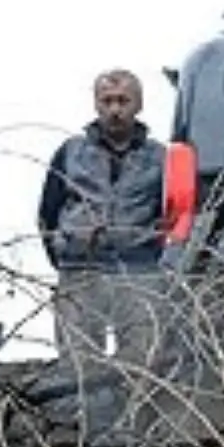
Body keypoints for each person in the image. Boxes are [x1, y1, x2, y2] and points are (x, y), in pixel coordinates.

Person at [37, 69, 167, 361]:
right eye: (107, 101)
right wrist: (64, 251)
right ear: (96, 104)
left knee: (142, 361)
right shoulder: (70, 153)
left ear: (139, 104)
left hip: (137, 274)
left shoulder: (160, 158)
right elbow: (48, 211)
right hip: (80, 271)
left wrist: (150, 254)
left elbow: (169, 213)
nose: (115, 110)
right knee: (78, 364)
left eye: (123, 101)